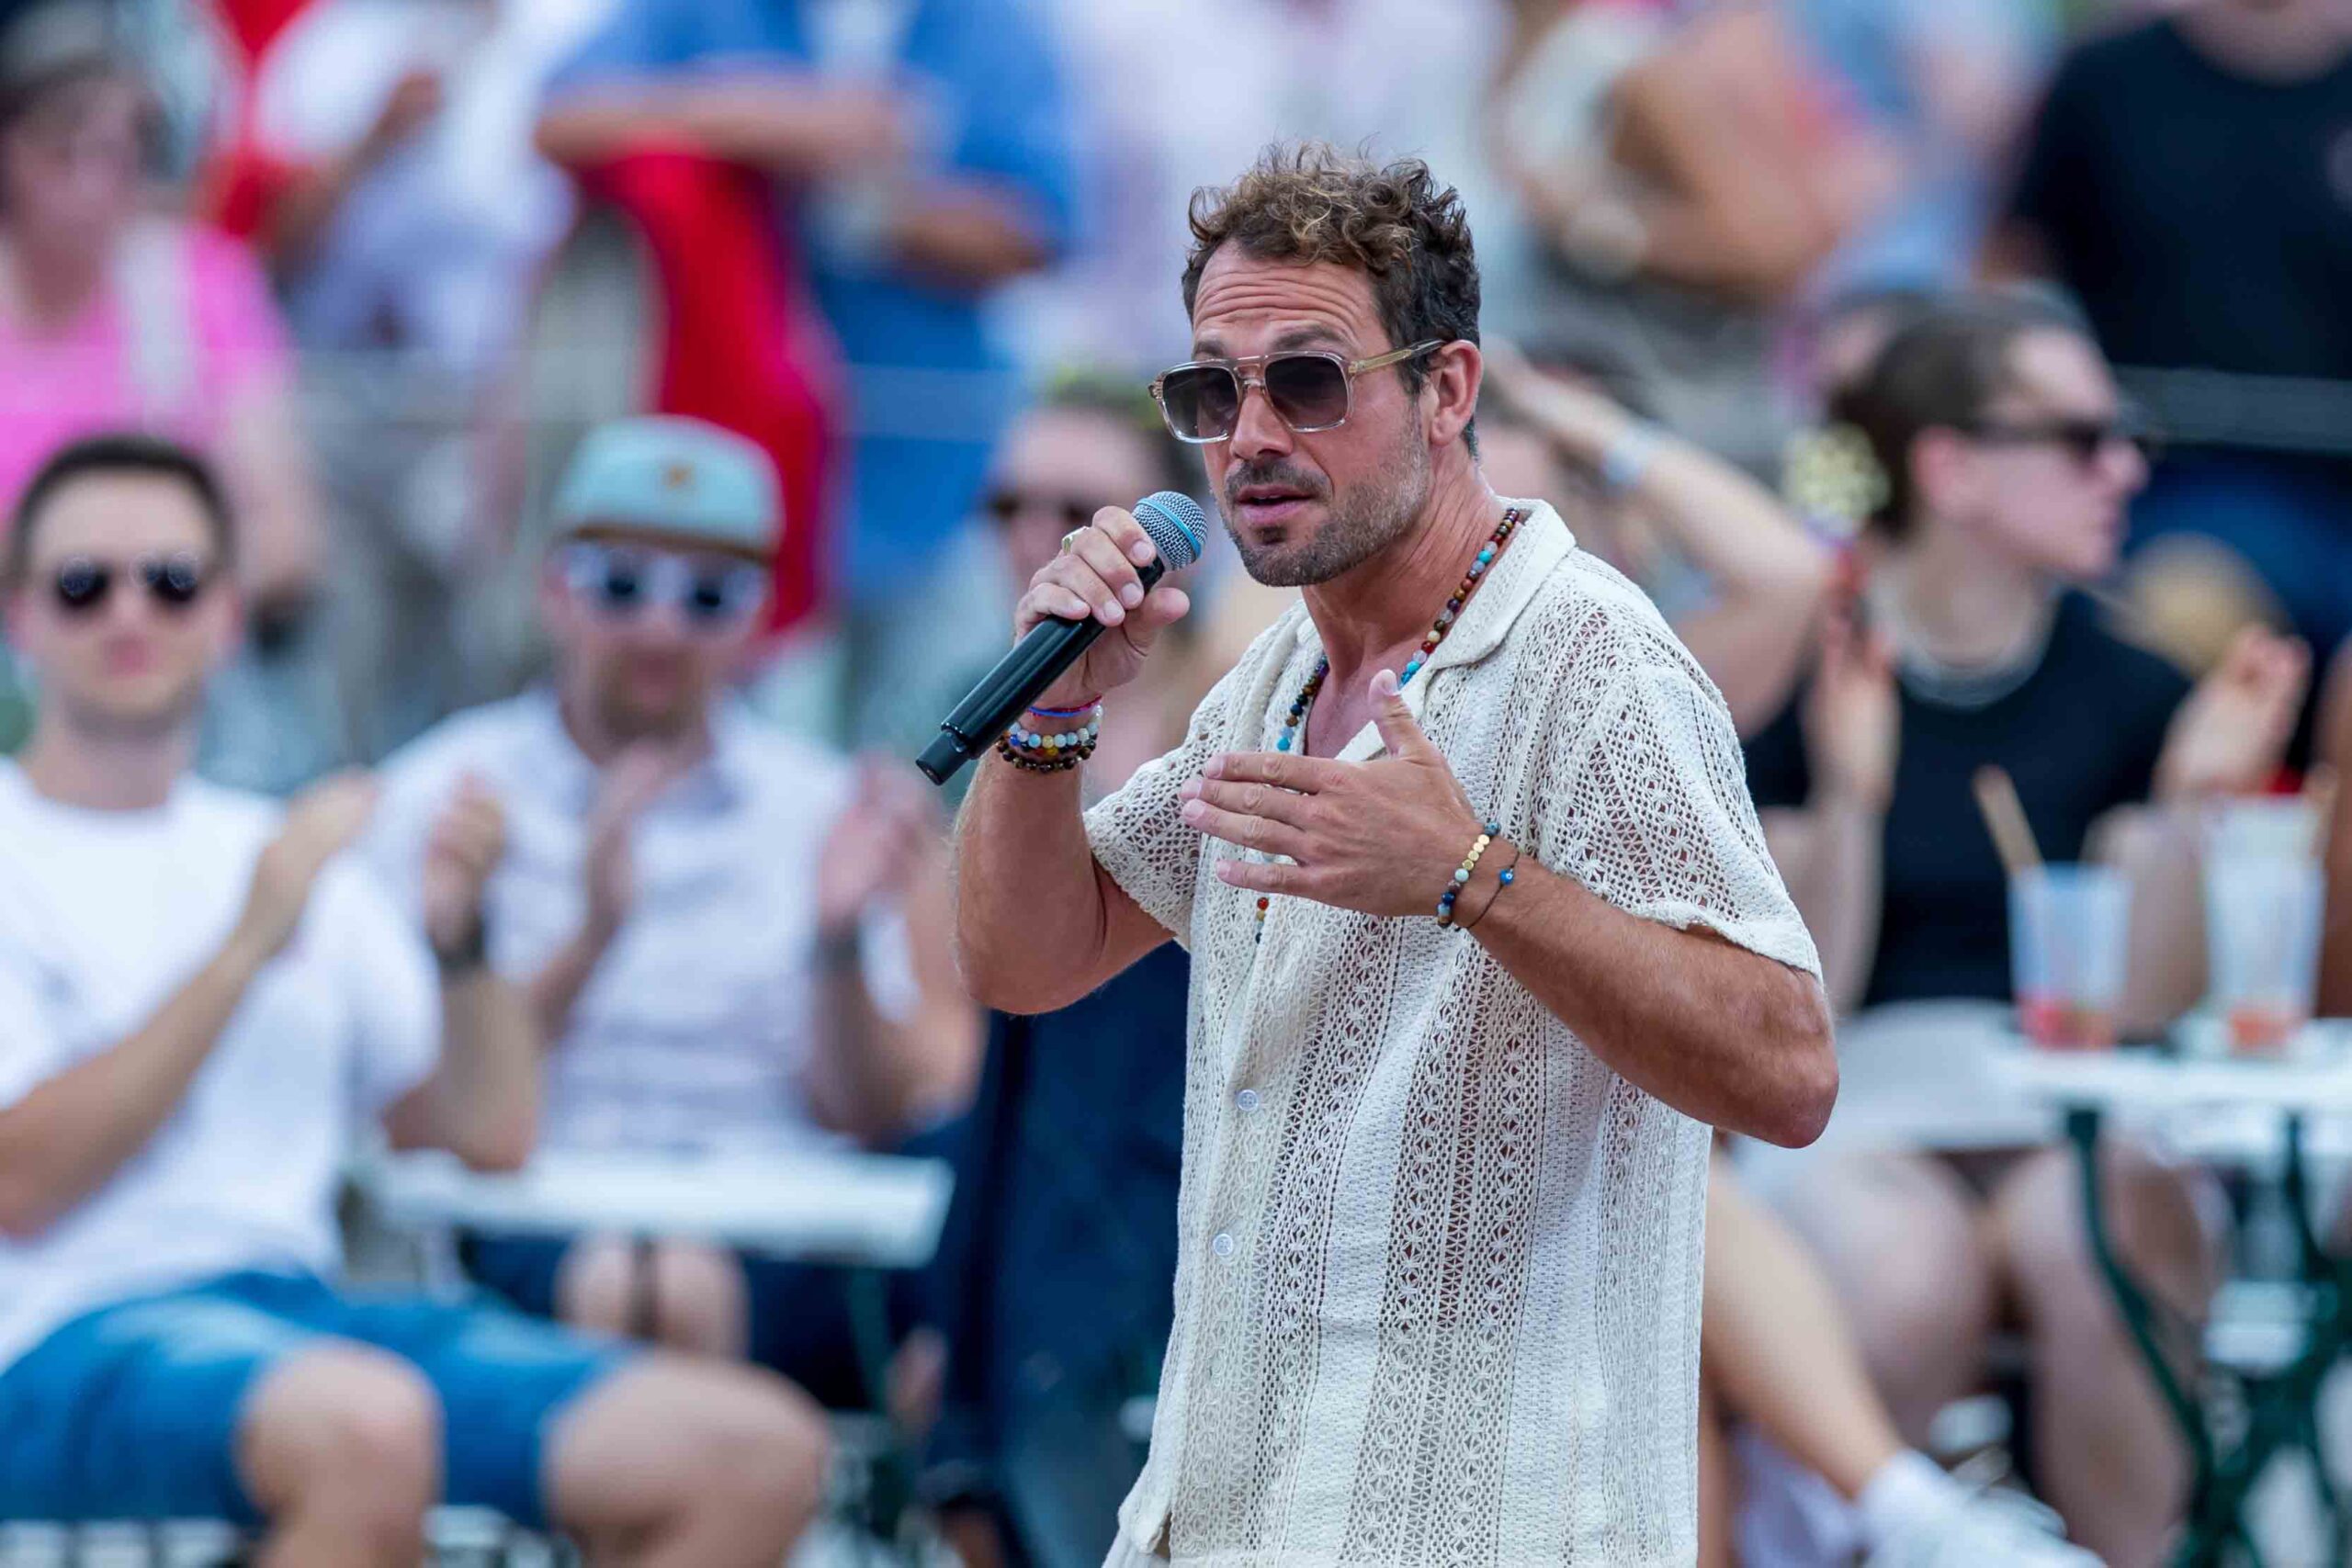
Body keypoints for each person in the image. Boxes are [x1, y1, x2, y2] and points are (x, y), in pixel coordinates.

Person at [956, 143, 1836, 1566]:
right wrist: (1049, 719)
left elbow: (1788, 1068)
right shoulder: (1271, 682)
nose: (1250, 434)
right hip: (1221, 1512)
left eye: (1308, 381)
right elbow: (1027, 958)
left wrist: (1472, 874)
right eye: (1212, 392)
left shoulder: (1592, 658)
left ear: (1449, 388)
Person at [0, 433, 823, 1563]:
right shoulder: (218, 864)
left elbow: (485, 1137)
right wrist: (245, 948)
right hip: (49, 1332)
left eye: (174, 581)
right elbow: (22, 1184)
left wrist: (462, 943)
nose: (131, 612)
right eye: (84, 584)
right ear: (20, 615)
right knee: (367, 1430)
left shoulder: (287, 849)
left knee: (757, 1455)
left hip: (297, 1318)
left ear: (229, 613)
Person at [1478, 340, 2091, 1567]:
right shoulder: (1352, 670)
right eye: (1490, 506)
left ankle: (1883, 1510)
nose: (1524, 540)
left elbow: (1792, 565)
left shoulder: (1640, 684)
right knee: (1662, 1218)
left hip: (1658, 1161)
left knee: (1664, 1252)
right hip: (1522, 1164)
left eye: (1566, 503)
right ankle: (1905, 1509)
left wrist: (1569, 417)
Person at [1747, 294, 2307, 1564]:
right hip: (1857, 1094)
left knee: (2109, 1229)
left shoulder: (2136, 686)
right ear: (1951, 469)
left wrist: (2188, 805)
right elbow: (1793, 1003)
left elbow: (2146, 1010)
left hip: (2064, 1098)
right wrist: (1849, 798)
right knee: (1906, 1265)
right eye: (2082, 437)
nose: (2126, 469)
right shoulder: (1805, 662)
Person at [368, 414, 978, 1407]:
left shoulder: (821, 807)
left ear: (757, 616)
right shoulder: (436, 795)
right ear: (555, 587)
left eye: (707, 594)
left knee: (680, 1287)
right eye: (620, 583)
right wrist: (591, 937)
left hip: (780, 1227)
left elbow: (870, 1112)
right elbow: (414, 1115)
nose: (660, 627)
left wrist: (835, 946)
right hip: (523, 1218)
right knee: (644, 1286)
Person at [535, 0, 1077, 750]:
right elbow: (559, 120)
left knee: (923, 751)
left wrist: (871, 205)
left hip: (926, 481)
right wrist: (766, 118)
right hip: (729, 472)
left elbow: (1036, 228)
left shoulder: (990, 25)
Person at [922, 378, 1212, 1568]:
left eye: (1083, 510)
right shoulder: (978, 715)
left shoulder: (1247, 705)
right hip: (1021, 1188)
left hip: (1183, 1210)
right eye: (1012, 506)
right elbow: (950, 1038)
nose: (1044, 539)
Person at [0, 0, 334, 786]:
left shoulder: (202, 286)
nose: (92, 185)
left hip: (179, 680)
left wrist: (151, 595)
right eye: (64, 150)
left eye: (122, 156)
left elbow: (288, 535)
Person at [1989, 0, 2352, 660]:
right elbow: (2009, 276)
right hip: (2172, 489)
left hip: (2335, 492)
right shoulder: (2109, 81)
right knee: (2183, 607)